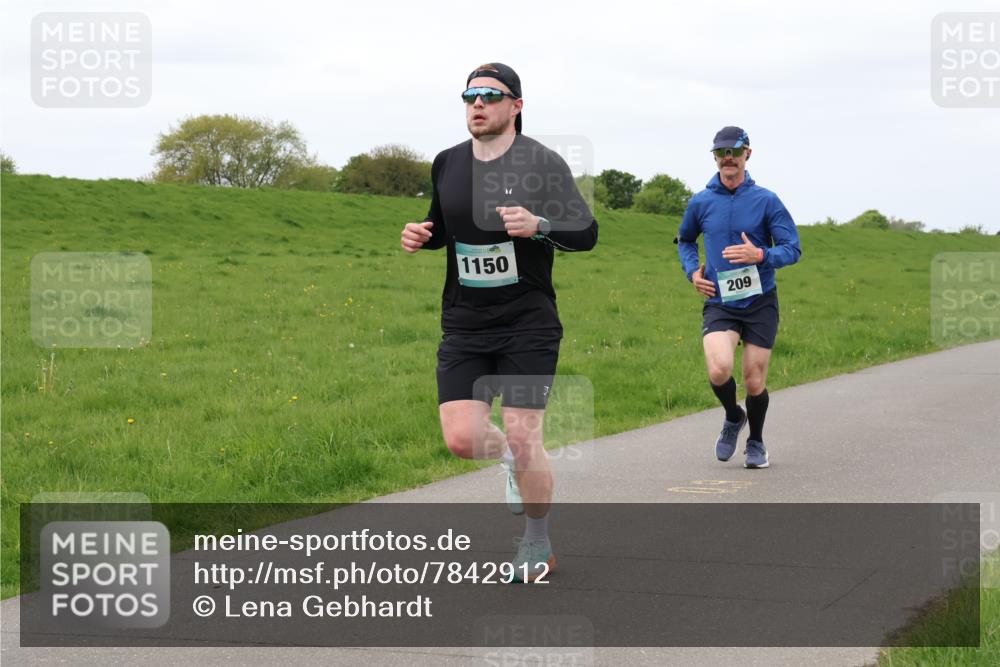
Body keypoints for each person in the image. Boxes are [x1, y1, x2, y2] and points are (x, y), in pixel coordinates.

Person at [400, 62, 597, 581]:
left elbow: (586, 232)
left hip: (527, 322)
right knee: (462, 439)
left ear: (517, 106)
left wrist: (540, 226)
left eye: (490, 94)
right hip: (465, 323)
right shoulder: (447, 163)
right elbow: (442, 227)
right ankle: (511, 460)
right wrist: (424, 236)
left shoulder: (543, 163)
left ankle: (537, 544)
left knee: (522, 432)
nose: (477, 103)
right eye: (469, 95)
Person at [676, 126, 801, 469]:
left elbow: (793, 249)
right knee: (719, 370)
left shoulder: (766, 200)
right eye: (721, 152)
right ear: (714, 157)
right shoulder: (701, 201)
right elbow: (685, 240)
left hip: (760, 301)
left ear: (748, 153)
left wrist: (761, 256)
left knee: (754, 379)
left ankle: (756, 442)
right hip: (720, 300)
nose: (727, 158)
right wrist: (693, 272)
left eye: (734, 151)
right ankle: (734, 415)